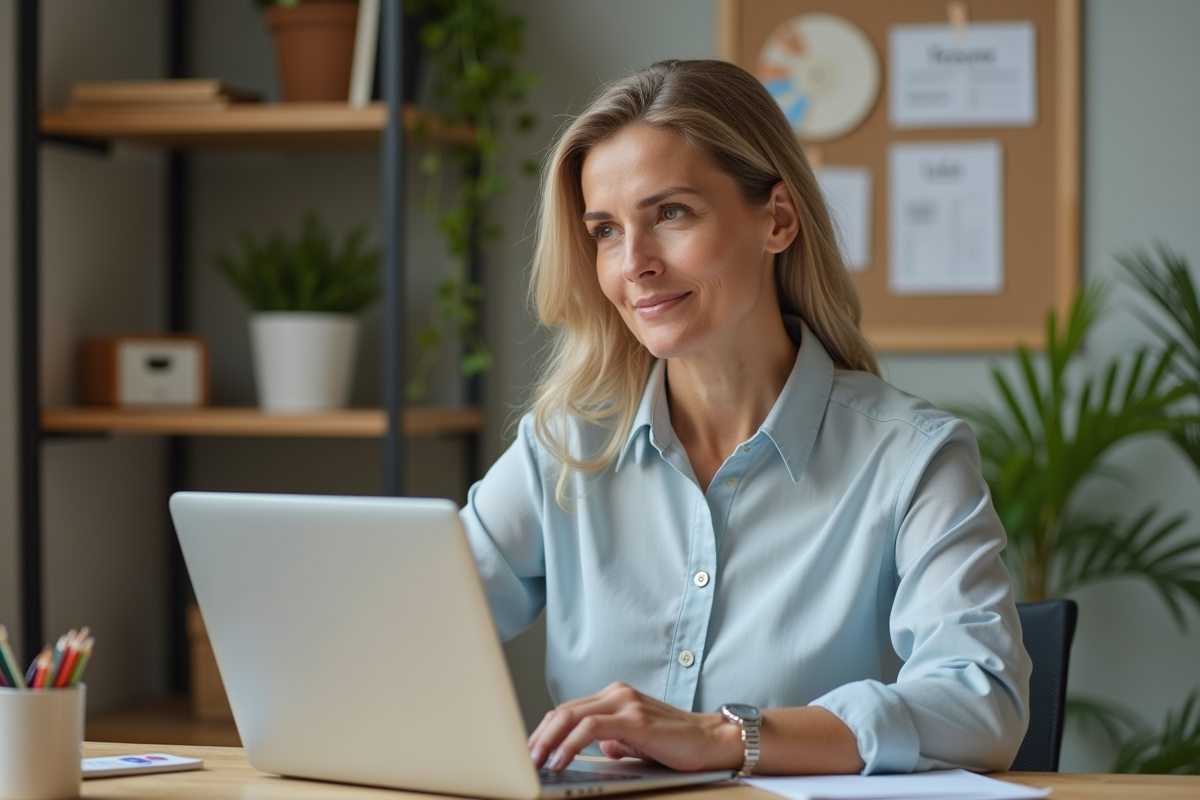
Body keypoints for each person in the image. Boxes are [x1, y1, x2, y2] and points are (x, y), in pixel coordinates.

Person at [460, 59, 1030, 777]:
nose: (633, 263)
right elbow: (415, 625)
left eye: (670, 213)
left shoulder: (912, 458)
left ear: (777, 219)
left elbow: (983, 702)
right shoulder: (565, 449)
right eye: (605, 230)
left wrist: (726, 738)